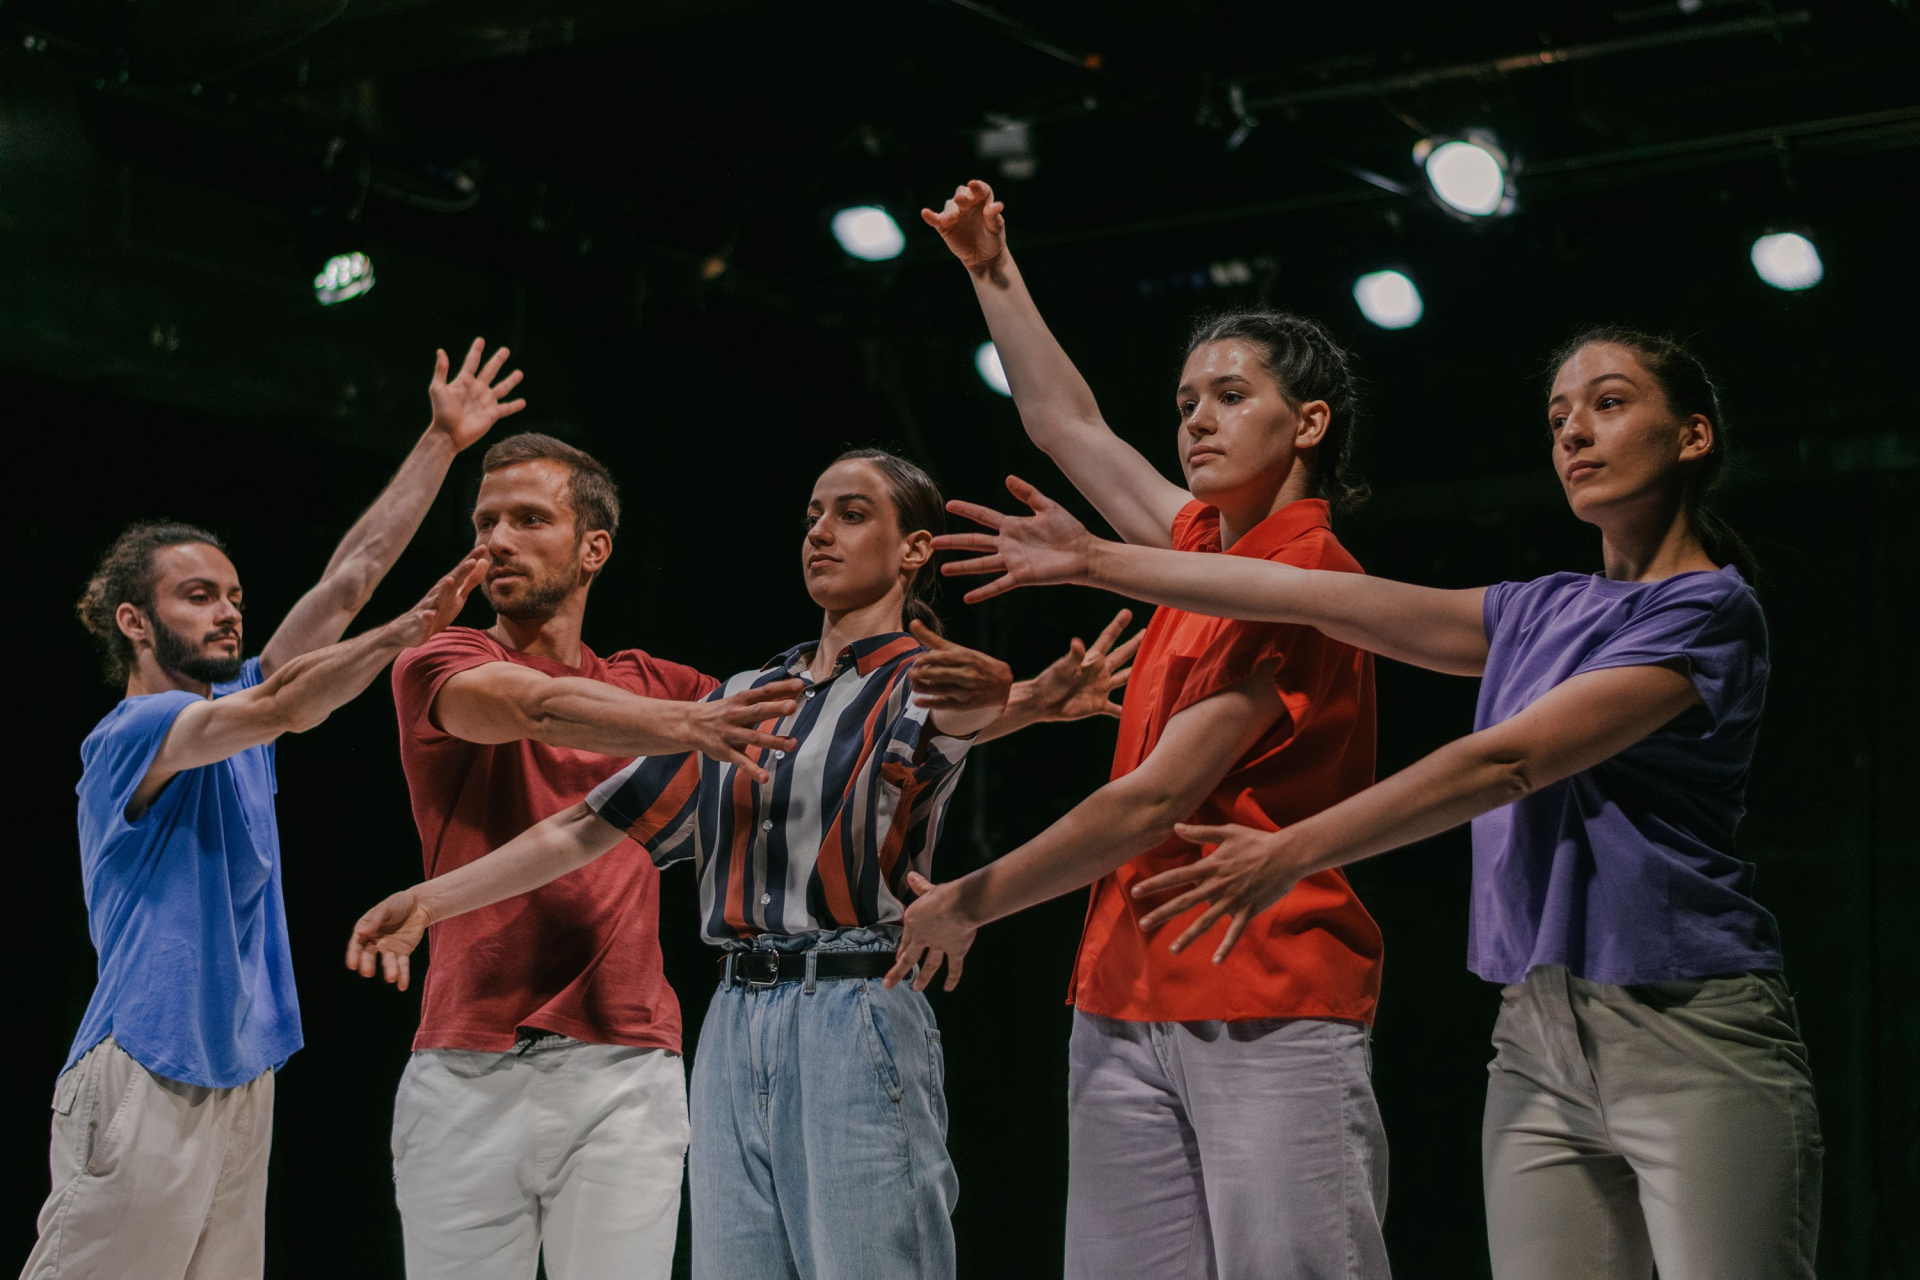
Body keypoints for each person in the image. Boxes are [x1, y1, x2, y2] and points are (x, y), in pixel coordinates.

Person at [935, 326, 1822, 1280]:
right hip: (1536, 1028)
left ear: (1693, 436)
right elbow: (1304, 595)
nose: (1572, 432)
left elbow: (1508, 762)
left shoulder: (1709, 611)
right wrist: (1092, 561)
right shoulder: (1537, 608)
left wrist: (1291, 849)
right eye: (1558, 414)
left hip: (1688, 1016)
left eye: (1606, 404)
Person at [359, 446, 1138, 1280]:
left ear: (914, 549)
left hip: (850, 1001)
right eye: (812, 516)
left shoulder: (919, 678)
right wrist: (431, 900)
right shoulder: (740, 694)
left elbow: (957, 714)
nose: (820, 533)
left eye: (851, 515)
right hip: (734, 1015)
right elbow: (588, 825)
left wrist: (1017, 698)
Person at [894, 179, 1391, 1280]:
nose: (1196, 418)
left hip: (1264, 991)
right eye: (1185, 400)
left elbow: (1153, 800)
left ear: (1308, 423)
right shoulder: (1197, 552)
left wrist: (970, 899)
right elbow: (1067, 425)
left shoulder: (1307, 575)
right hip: (1122, 996)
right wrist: (992, 271)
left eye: (1230, 395)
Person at [24, 338, 524, 1280]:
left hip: (238, 1077)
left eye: (234, 597)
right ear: (134, 621)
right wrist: (411, 630)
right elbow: (290, 703)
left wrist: (441, 440)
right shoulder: (136, 730)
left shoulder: (239, 707)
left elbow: (348, 579)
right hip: (144, 1068)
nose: (227, 612)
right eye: (197, 596)